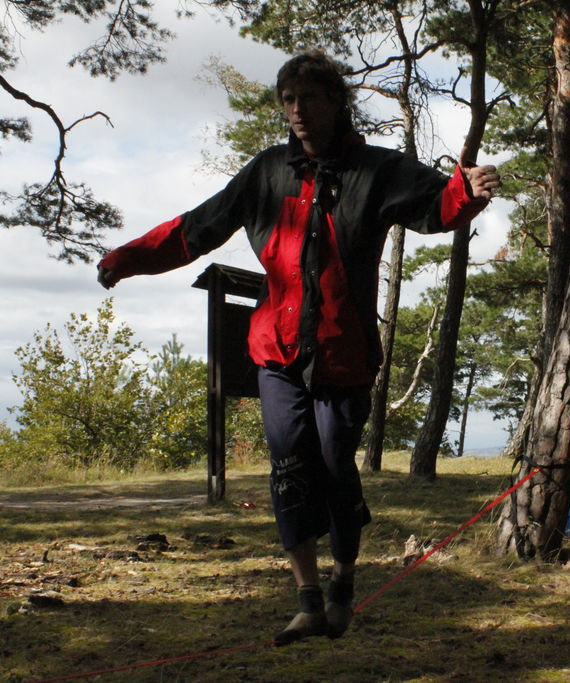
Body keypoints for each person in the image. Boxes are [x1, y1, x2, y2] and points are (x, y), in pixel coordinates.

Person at [96, 51, 500, 645]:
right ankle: (307, 599)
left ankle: (342, 585)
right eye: (288, 100)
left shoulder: (375, 170)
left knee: (336, 465)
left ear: (336, 102)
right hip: (277, 354)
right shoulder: (266, 173)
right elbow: (196, 228)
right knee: (289, 471)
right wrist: (126, 259)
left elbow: (436, 205)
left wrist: (468, 191)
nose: (298, 111)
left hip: (344, 353)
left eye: (309, 98)